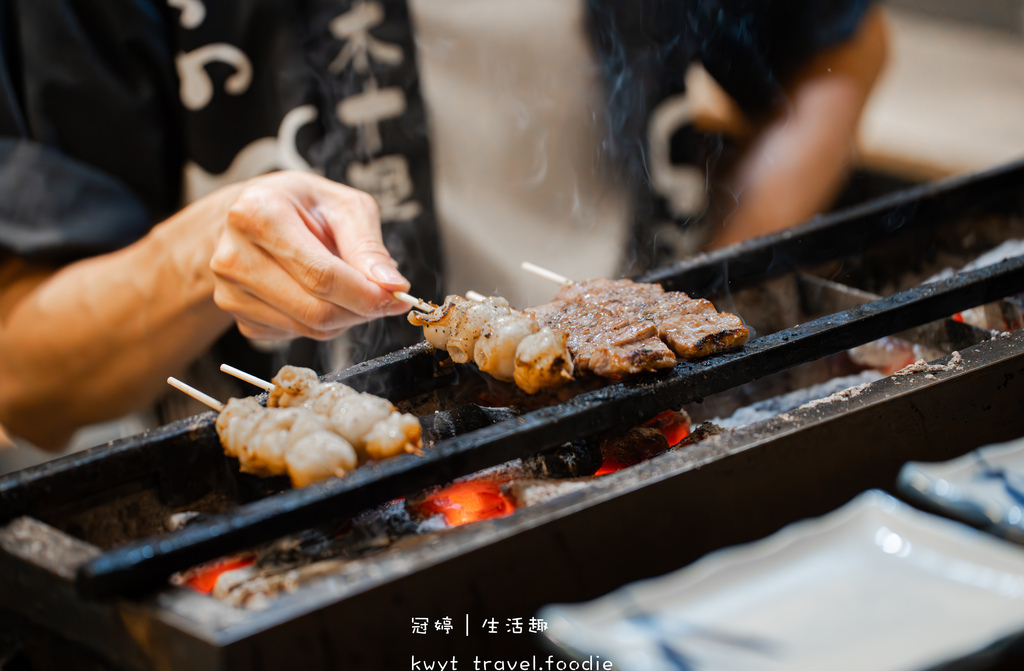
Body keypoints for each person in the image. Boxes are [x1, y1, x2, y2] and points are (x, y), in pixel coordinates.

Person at [0, 0, 886, 452]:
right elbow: (23, 371)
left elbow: (839, 47)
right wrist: (199, 254)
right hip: (322, 499)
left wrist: (693, 301)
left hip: (645, 424)